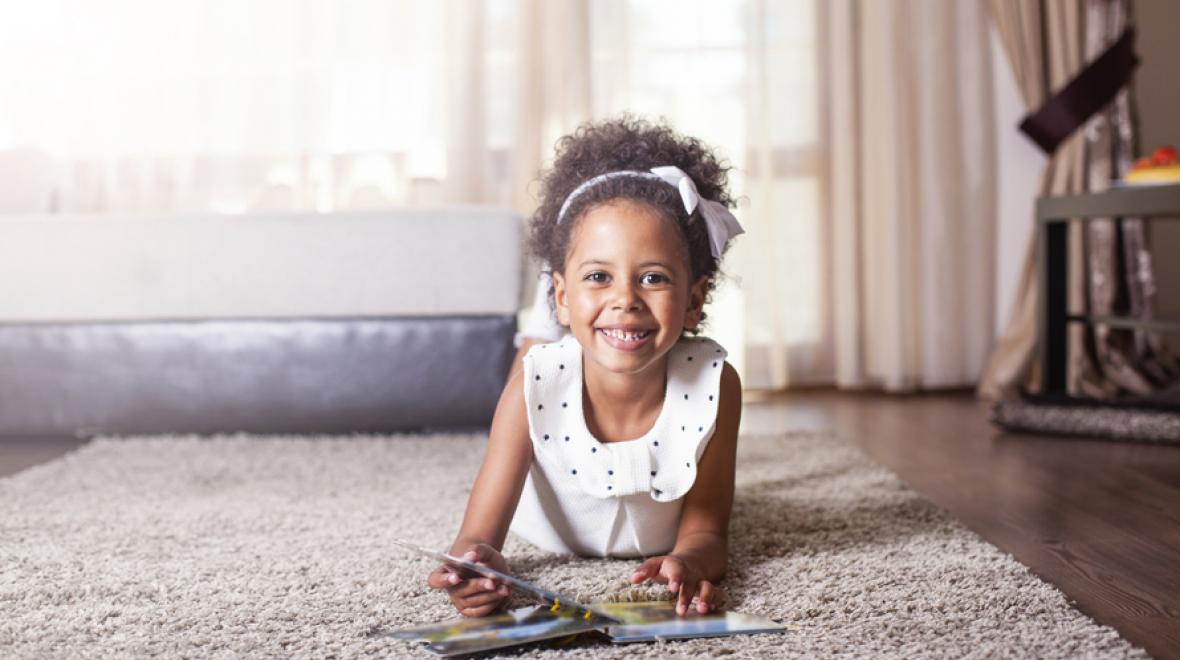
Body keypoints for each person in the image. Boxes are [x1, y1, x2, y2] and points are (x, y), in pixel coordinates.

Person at [427, 117, 745, 618]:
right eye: (598, 276)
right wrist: (475, 567)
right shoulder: (533, 383)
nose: (625, 300)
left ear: (694, 299)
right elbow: (476, 537)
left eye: (654, 278)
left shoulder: (714, 382)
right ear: (561, 299)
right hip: (552, 538)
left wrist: (688, 561)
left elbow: (708, 531)